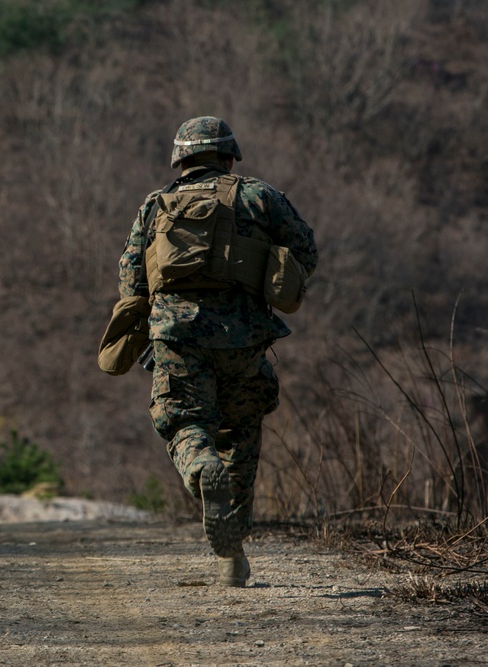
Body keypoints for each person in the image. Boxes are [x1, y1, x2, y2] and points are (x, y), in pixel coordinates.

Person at [115, 116, 318, 586]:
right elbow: (305, 251)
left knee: (184, 422)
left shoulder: (155, 205)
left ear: (180, 159)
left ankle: (200, 467)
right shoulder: (260, 196)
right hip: (245, 338)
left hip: (178, 338)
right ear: (229, 156)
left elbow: (130, 280)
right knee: (242, 432)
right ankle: (233, 555)